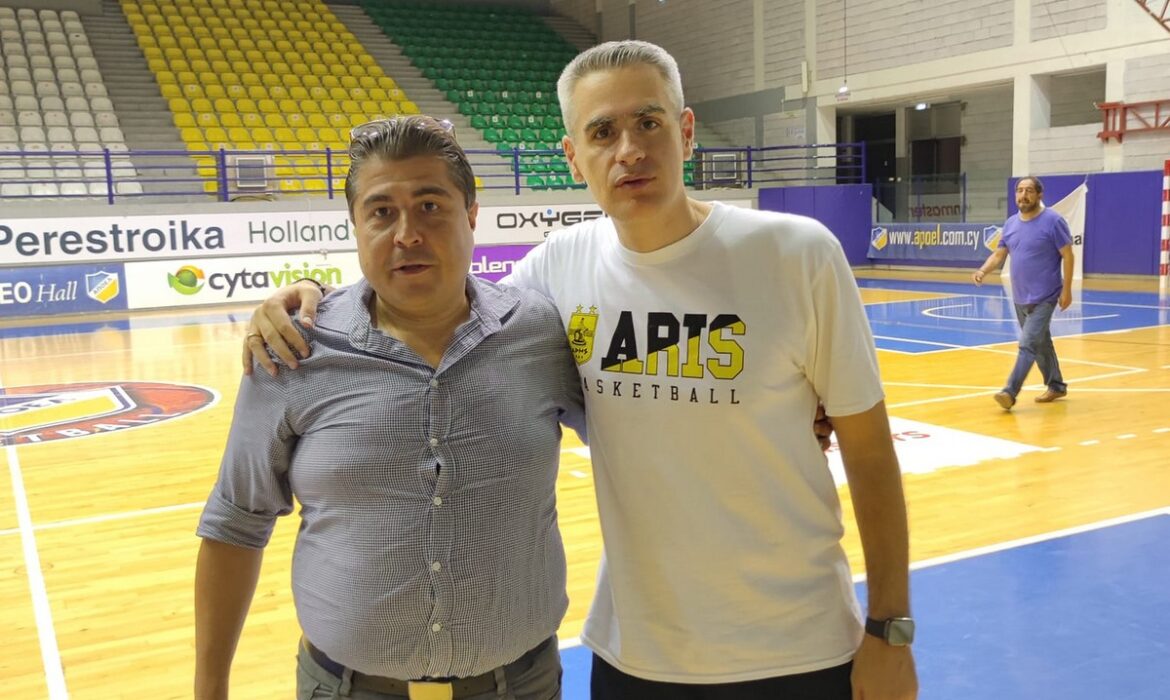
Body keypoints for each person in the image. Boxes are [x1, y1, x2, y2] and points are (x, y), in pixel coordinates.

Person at [247, 41, 917, 700]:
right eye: (602, 132)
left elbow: (870, 455)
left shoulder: (797, 255)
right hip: (636, 655)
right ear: (574, 156)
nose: (629, 150)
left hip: (799, 648)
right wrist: (311, 296)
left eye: (648, 122)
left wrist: (891, 628)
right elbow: (443, 304)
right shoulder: (556, 269)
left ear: (686, 131)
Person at [194, 116, 588, 700]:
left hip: (522, 685)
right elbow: (235, 522)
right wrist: (209, 689)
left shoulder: (541, 331)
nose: (407, 234)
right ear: (356, 227)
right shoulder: (293, 348)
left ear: (471, 215)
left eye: (430, 206)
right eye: (381, 212)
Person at [973, 175, 1074, 410]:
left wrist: (1067, 290)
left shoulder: (1053, 221)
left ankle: (1010, 392)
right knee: (1041, 343)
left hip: (1046, 296)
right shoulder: (1010, 224)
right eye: (1019, 190)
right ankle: (1056, 385)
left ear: (1039, 195)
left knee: (1028, 344)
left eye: (1029, 191)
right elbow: (999, 254)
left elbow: (1068, 255)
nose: (1023, 195)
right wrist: (983, 270)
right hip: (1020, 296)